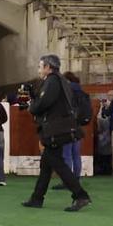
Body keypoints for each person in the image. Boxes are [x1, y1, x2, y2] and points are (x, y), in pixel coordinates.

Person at [23, 54, 91, 212]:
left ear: (48, 67)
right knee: (46, 164)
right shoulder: (60, 81)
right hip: (60, 128)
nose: (39, 70)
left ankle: (80, 195)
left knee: (58, 164)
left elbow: (43, 103)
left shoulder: (52, 81)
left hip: (55, 130)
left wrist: (32, 105)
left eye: (40, 66)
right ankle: (37, 198)